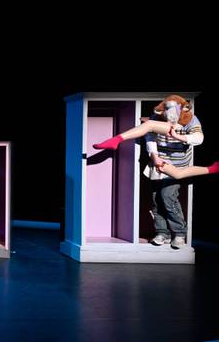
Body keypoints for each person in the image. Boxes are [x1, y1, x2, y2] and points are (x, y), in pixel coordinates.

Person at [92, 94, 218, 248]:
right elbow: (150, 138)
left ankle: (179, 233)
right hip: (160, 161)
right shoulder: (157, 118)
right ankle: (162, 233)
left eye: (174, 108)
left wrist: (177, 136)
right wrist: (155, 156)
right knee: (156, 200)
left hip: (178, 162)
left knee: (167, 197)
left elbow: (199, 138)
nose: (170, 112)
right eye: (168, 108)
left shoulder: (190, 119)